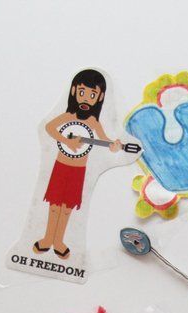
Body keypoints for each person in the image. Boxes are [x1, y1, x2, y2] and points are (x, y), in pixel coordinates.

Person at [32, 69, 122, 259]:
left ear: (100, 97)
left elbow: (104, 140)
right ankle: (47, 238)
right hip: (61, 166)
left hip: (78, 171)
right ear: (73, 91)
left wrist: (114, 145)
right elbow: (48, 127)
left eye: (92, 95)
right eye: (82, 92)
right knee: (54, 205)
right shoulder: (69, 116)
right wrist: (66, 141)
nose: (86, 98)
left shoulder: (93, 122)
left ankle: (58, 241)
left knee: (67, 209)